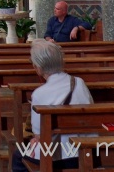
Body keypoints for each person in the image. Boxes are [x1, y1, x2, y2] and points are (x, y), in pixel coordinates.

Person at [11, 40, 93, 171]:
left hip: (59, 157)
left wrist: (35, 139)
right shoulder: (79, 82)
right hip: (87, 150)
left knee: (18, 156)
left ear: (38, 67)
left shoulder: (39, 94)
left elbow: (39, 134)